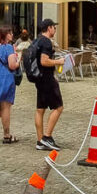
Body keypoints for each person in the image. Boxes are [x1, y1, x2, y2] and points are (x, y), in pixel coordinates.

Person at [34, 19, 66, 151]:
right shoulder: (46, 42)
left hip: (39, 78)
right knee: (58, 107)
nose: (55, 30)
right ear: (49, 28)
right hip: (47, 79)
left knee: (40, 109)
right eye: (54, 27)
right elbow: (44, 61)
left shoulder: (37, 40)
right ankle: (47, 137)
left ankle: (40, 140)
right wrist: (58, 61)